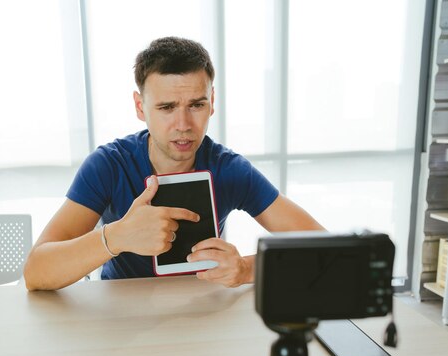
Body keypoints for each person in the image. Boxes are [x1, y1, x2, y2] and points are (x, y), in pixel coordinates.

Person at [23, 36, 323, 291]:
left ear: (212, 102)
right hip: (119, 315)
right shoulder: (108, 165)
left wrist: (246, 269)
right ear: (140, 107)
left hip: (201, 309)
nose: (183, 124)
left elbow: (322, 247)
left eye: (196, 105)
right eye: (167, 107)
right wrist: (116, 237)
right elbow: (36, 272)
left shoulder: (229, 169)